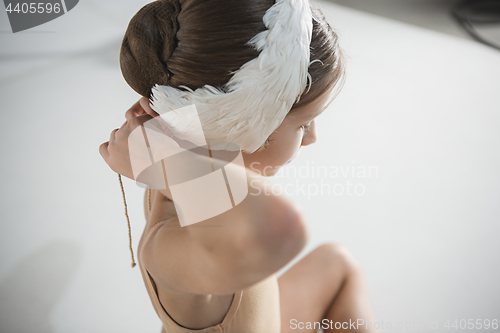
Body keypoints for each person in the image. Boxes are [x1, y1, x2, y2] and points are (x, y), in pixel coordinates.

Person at [100, 0, 379, 332]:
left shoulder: (198, 178)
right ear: (237, 124)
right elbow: (277, 229)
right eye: (303, 125)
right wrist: (155, 158)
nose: (312, 138)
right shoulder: (166, 245)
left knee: (338, 263)